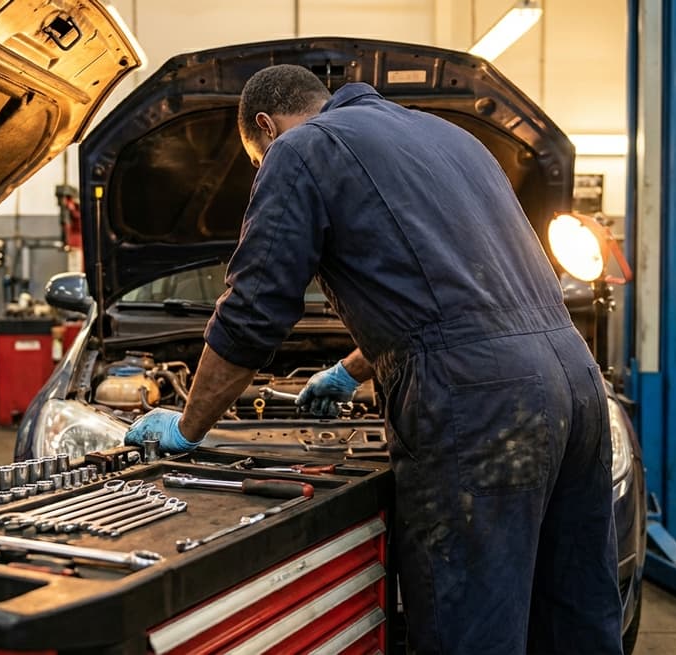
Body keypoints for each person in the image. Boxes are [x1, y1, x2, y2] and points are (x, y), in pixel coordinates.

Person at [125, 64, 622, 654]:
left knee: (471, 629)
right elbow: (457, 300)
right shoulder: (452, 138)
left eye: (257, 162)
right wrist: (349, 370)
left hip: (480, 402)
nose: (264, 170)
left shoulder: (300, 149)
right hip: (575, 381)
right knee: (574, 617)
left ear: (266, 127)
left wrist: (188, 426)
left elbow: (253, 312)